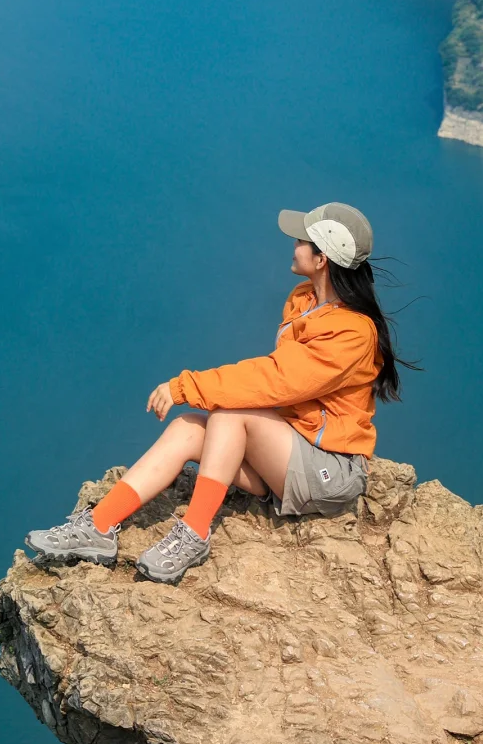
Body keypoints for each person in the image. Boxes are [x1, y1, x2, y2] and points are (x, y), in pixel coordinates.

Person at [25, 202, 411, 586]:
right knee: (188, 429)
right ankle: (99, 525)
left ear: (322, 257)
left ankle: (194, 533)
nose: (292, 244)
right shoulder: (304, 299)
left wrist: (185, 386)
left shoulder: (351, 332)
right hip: (288, 451)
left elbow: (276, 379)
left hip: (331, 472)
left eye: (300, 239)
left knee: (230, 413)